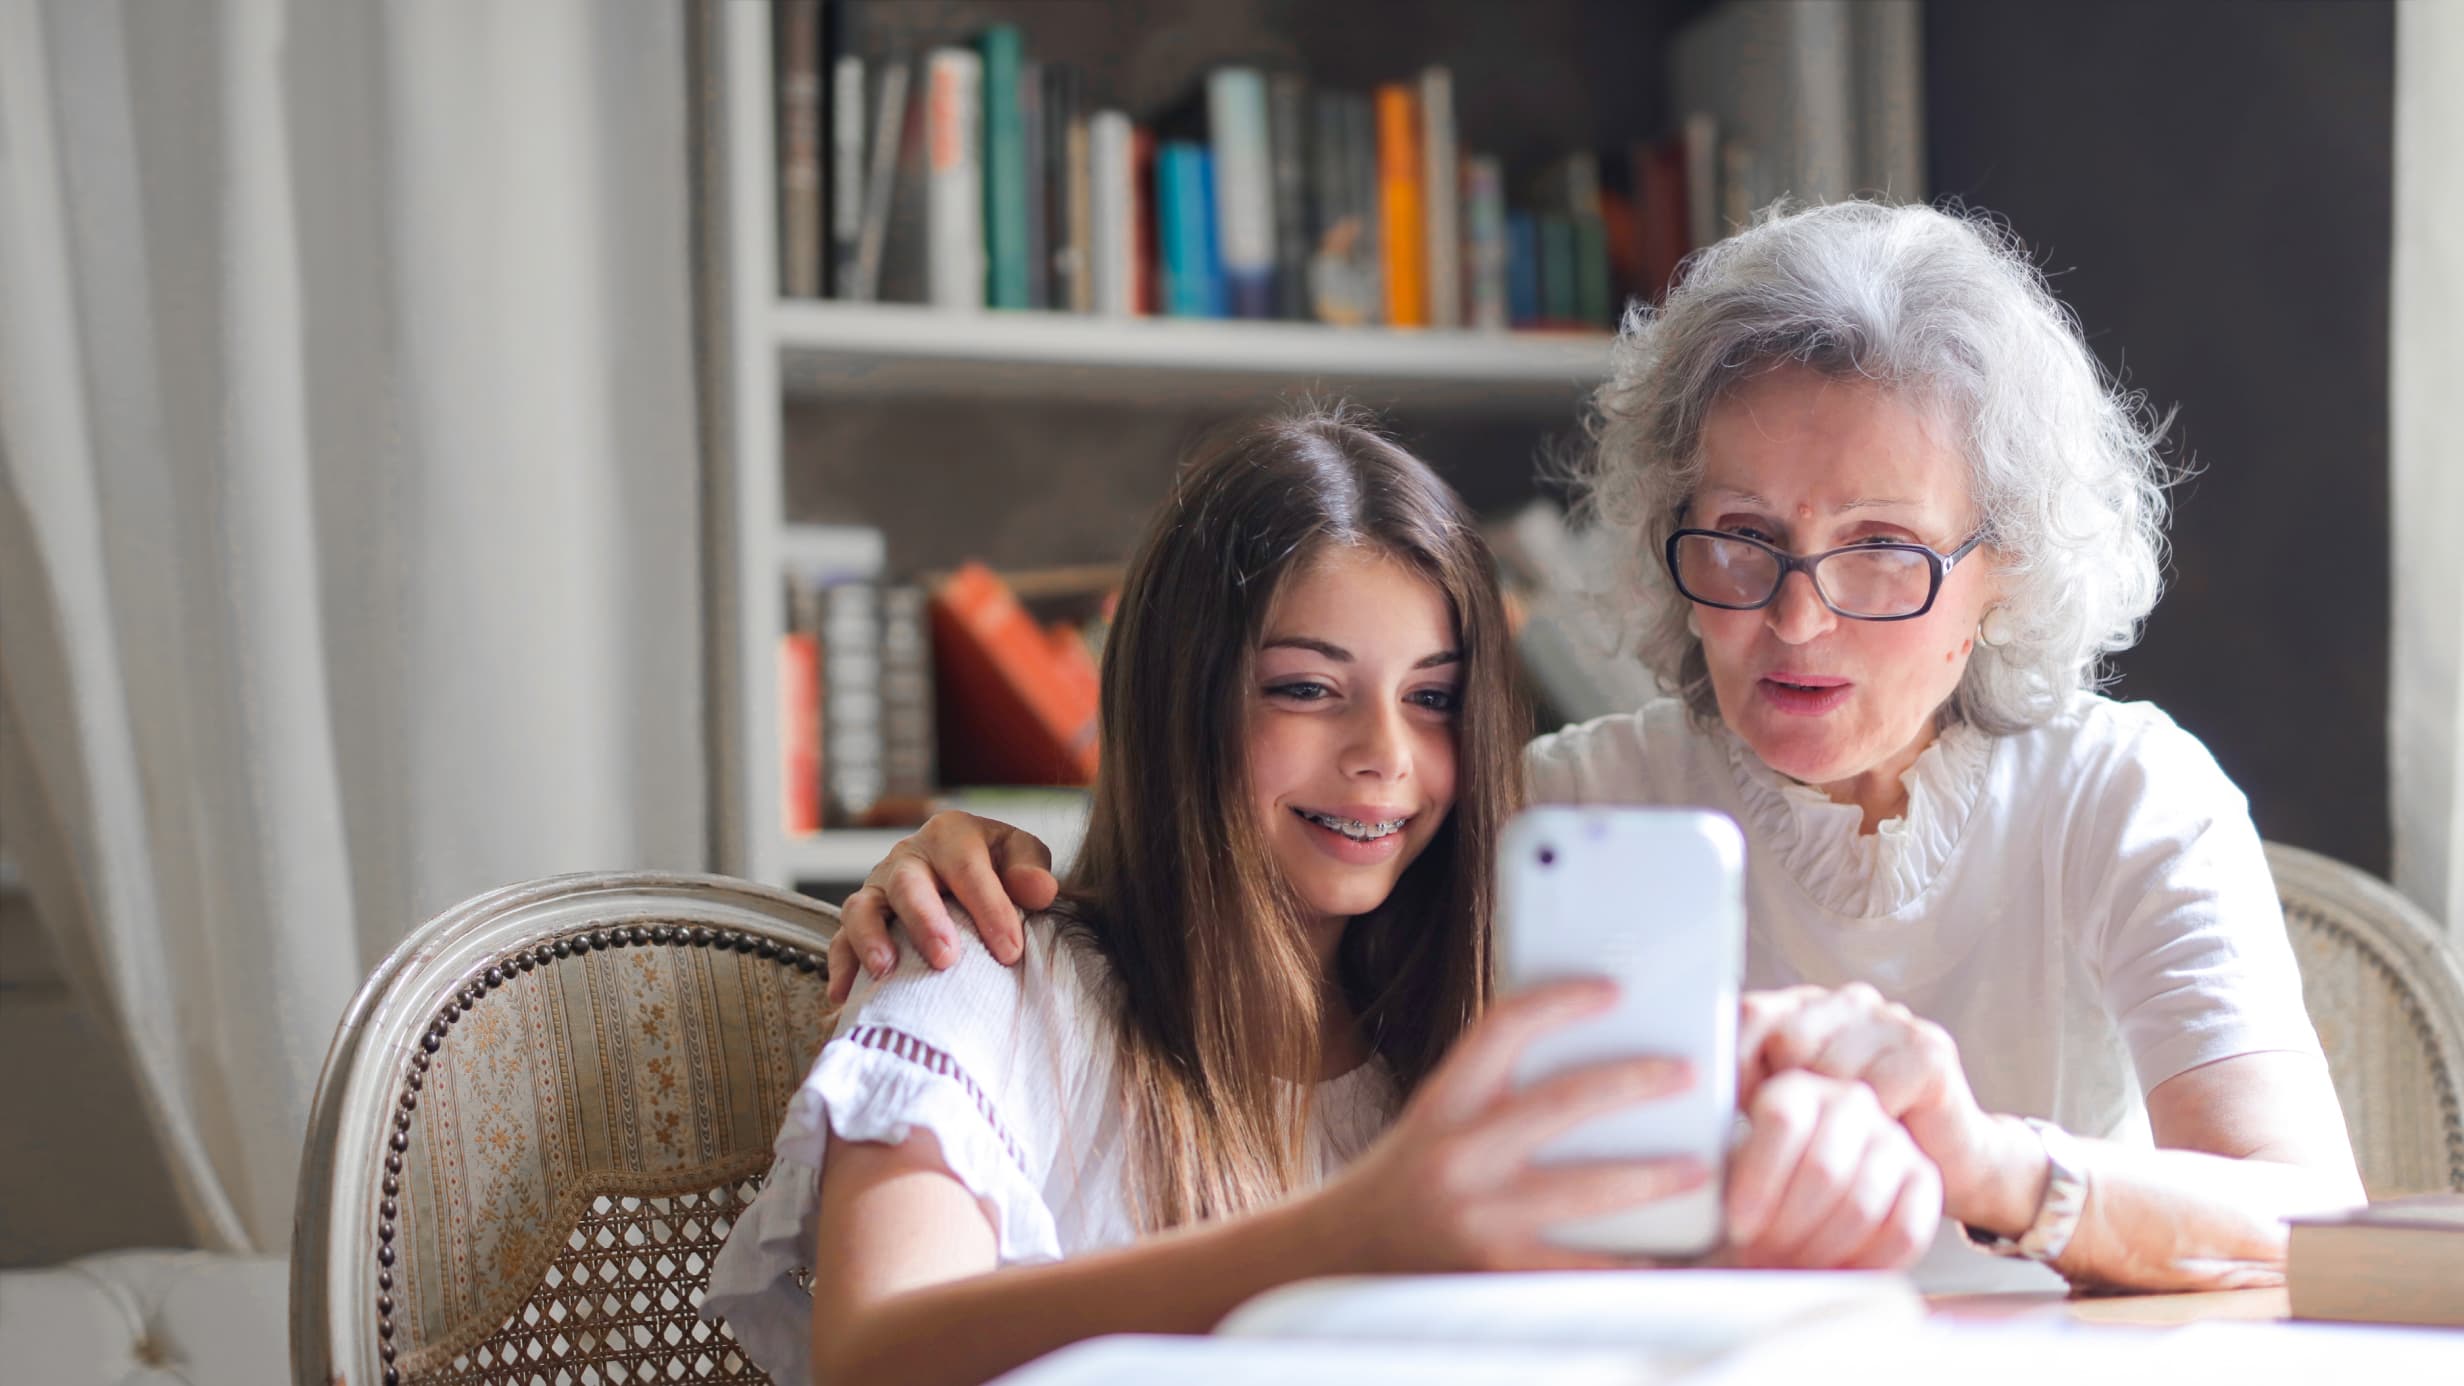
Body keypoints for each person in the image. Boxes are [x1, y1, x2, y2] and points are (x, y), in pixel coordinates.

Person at [827, 202, 2366, 1293]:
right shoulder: (1554, 812)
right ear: (1663, 528)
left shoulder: (2124, 790)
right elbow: (1243, 919)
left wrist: (1989, 1163)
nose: (1798, 620)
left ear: (2003, 570)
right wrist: (973, 860)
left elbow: (2308, 1219)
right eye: (1743, 539)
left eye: (1884, 552)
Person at [704, 408, 1939, 1386]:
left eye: (1434, 697)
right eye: (1305, 688)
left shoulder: (1465, 1027)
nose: (1384, 758)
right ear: (1181, 698)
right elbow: (876, 1358)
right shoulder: (979, 971)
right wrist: (1356, 1235)